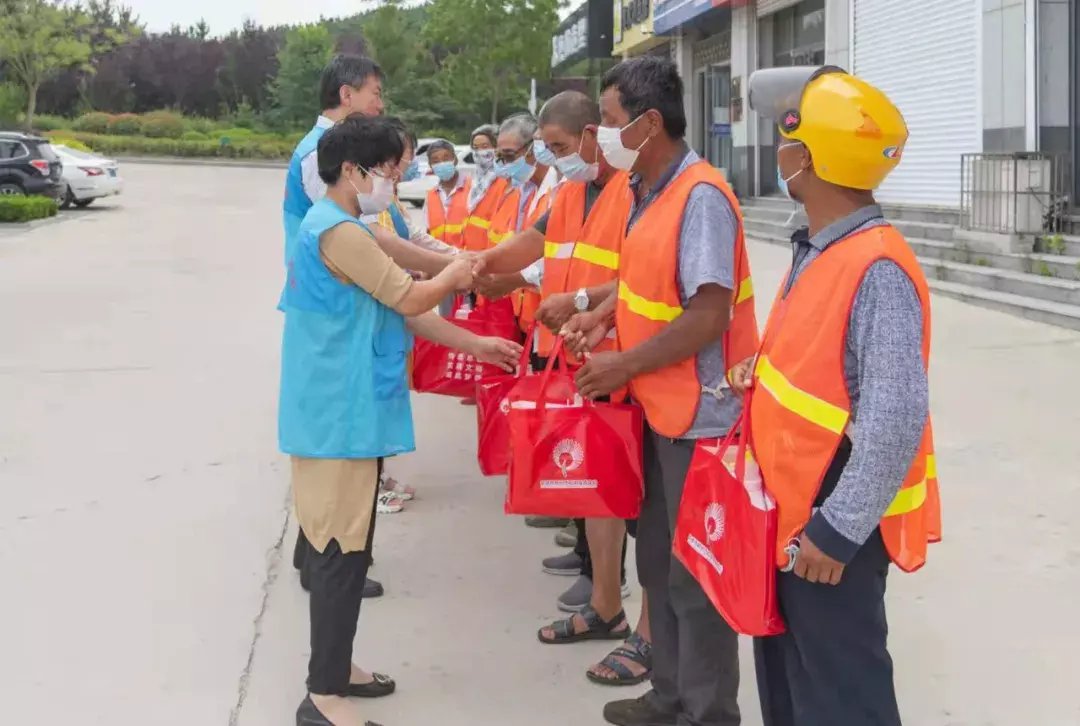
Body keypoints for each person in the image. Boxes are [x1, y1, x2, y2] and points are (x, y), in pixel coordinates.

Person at [280, 115, 521, 726]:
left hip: (350, 409)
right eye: (387, 170)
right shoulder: (338, 232)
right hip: (335, 415)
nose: (394, 179)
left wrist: (477, 344)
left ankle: (340, 668)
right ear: (353, 170)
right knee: (338, 550)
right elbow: (412, 297)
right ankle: (323, 695)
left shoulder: (347, 226)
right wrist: (456, 272)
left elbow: (405, 313)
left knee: (352, 547)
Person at [561, 56, 759, 726]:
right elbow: (650, 282)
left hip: (700, 417)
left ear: (649, 124)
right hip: (659, 407)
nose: (604, 135)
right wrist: (603, 313)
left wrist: (622, 365)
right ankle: (668, 694)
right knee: (656, 560)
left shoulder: (700, 196)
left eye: (612, 121)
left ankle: (706, 713)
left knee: (694, 578)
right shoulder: (650, 190)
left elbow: (708, 313)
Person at [745, 65, 940, 726]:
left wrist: (838, 530)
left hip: (829, 524)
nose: (778, 152)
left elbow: (894, 415)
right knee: (793, 690)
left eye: (785, 139)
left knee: (842, 699)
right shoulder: (823, 249)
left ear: (808, 158)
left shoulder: (875, 266)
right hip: (792, 512)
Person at [474, 90, 652, 687]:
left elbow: (647, 274)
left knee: (640, 505)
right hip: (582, 359)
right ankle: (605, 606)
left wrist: (579, 304)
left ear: (591, 137)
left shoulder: (638, 190)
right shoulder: (573, 192)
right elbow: (536, 243)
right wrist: (477, 266)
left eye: (557, 147)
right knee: (595, 492)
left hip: (632, 360)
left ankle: (644, 629)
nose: (551, 160)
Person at [283, 54, 385, 265]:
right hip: (324, 290)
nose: (380, 106)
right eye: (375, 95)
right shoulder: (317, 154)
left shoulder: (344, 148)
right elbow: (363, 233)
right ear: (346, 94)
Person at [462, 125, 508, 252]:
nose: (479, 152)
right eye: (475, 148)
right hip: (471, 254)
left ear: (497, 148)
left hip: (491, 256)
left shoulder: (505, 181)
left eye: (485, 147)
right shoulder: (473, 182)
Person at [423, 139, 472, 250]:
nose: (441, 163)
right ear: (430, 166)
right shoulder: (431, 196)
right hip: (441, 261)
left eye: (446, 158)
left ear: (455, 160)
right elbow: (429, 232)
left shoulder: (472, 189)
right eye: (435, 161)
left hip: (469, 258)